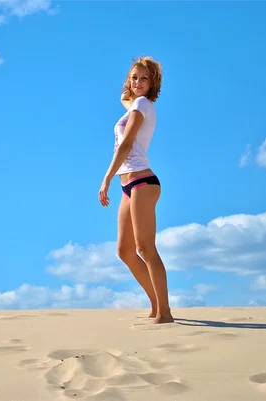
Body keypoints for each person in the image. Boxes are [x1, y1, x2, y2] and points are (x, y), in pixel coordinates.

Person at [98, 56, 174, 324]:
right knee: (125, 251)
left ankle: (165, 312)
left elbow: (126, 144)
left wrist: (106, 177)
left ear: (153, 83)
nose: (138, 82)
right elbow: (124, 96)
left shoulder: (142, 105)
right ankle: (156, 306)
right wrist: (131, 86)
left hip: (142, 181)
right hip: (128, 185)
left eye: (144, 78)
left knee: (145, 248)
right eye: (134, 77)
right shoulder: (134, 104)